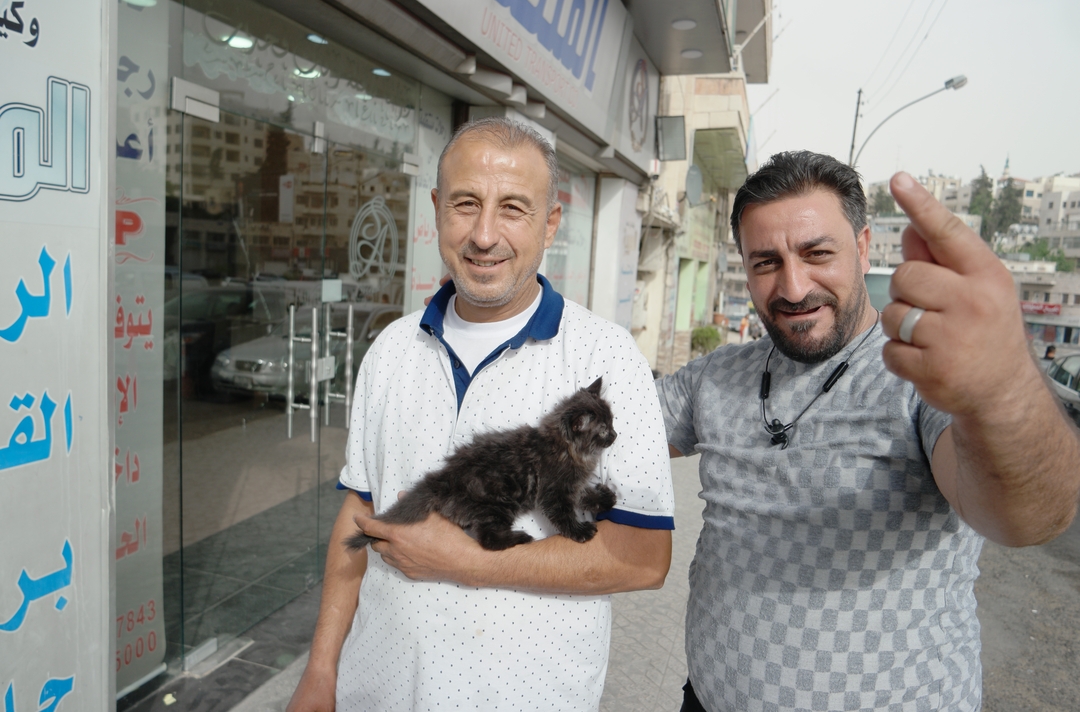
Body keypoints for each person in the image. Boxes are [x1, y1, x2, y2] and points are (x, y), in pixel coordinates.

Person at [656, 151, 1080, 712]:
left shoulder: (920, 376)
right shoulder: (717, 375)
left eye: (817, 253)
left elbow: (1030, 517)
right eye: (765, 263)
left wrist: (1000, 389)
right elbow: (599, 437)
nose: (793, 286)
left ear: (861, 246)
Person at [287, 117, 675, 712]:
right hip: (376, 691)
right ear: (438, 209)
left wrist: (471, 562)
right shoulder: (392, 348)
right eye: (466, 204)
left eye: (514, 208)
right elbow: (360, 507)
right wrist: (320, 672)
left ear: (550, 224)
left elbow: (644, 559)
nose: (484, 235)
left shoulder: (606, 357)